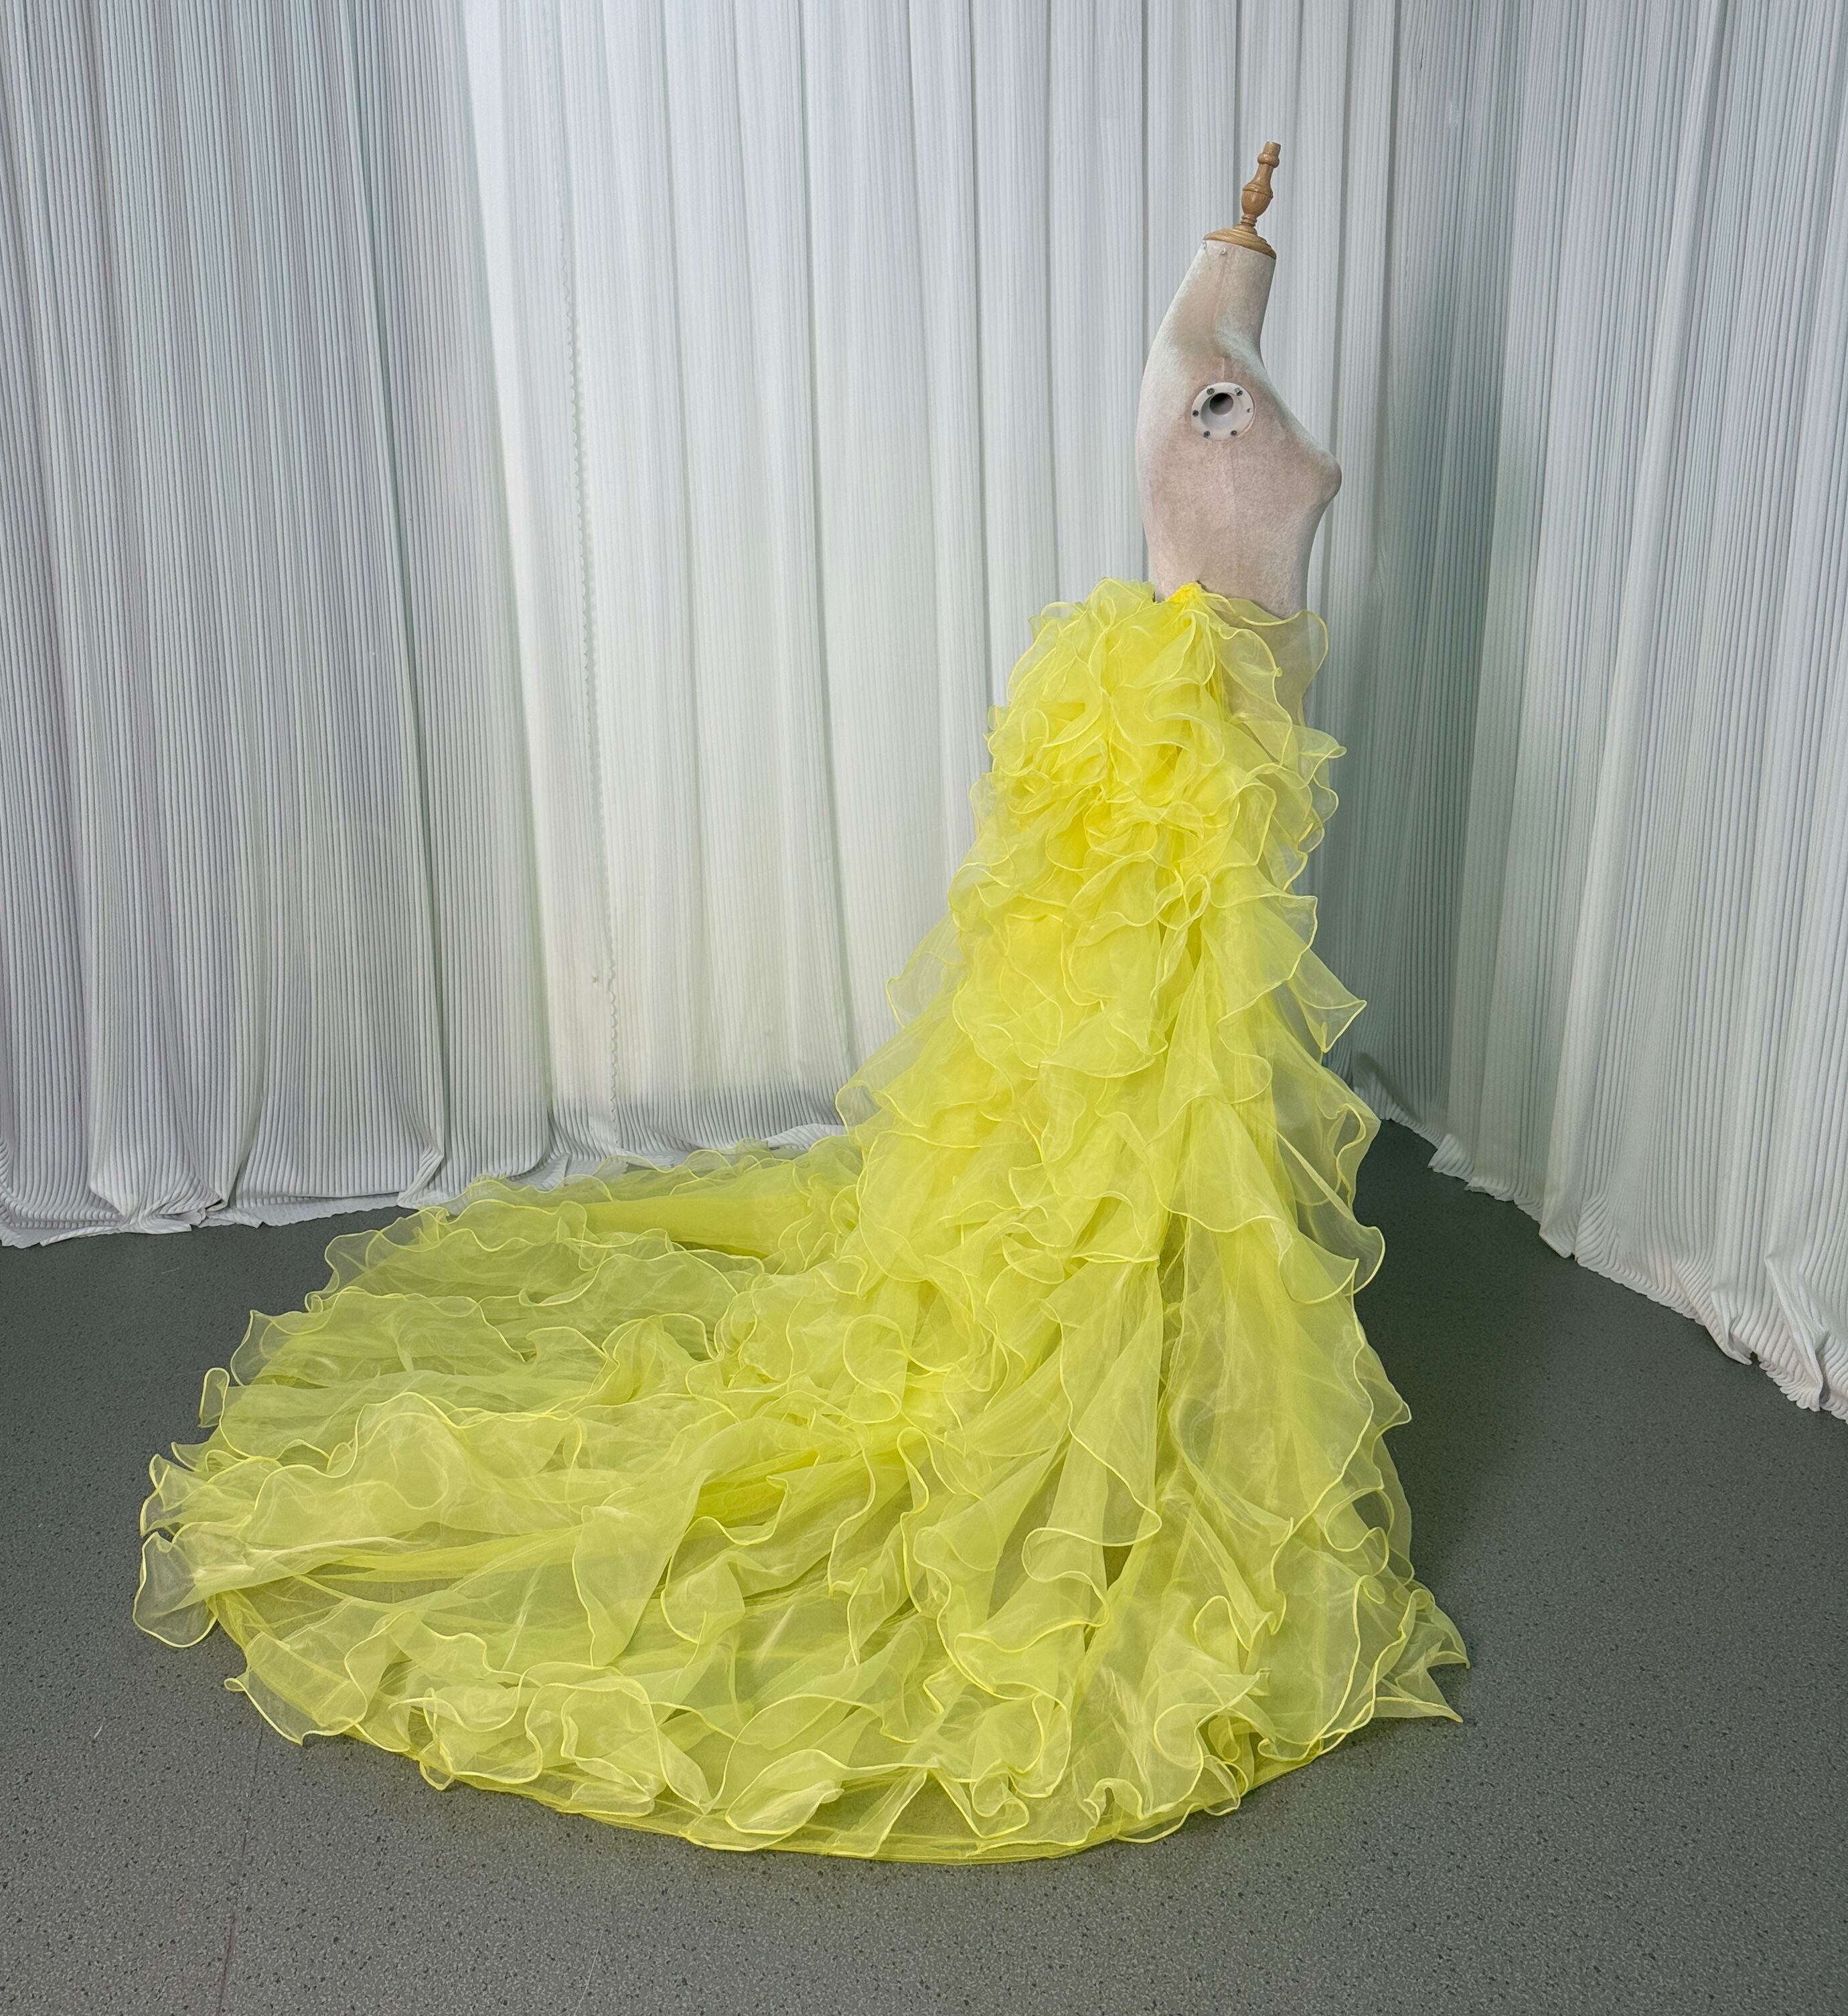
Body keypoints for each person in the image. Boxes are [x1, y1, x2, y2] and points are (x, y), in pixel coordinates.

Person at [136, 147, 1466, 1863]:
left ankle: (1185, 1374)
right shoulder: (1199, 362)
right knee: (1134, 1097)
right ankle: (1110, 1402)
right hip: (1177, 751)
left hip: (1208, 758)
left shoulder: (1219, 347)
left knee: (1187, 1103)